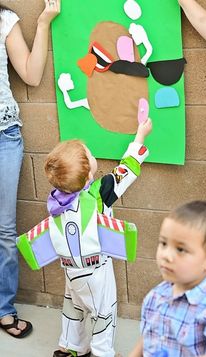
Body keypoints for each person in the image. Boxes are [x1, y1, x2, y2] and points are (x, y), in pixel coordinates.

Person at [44, 118, 152, 357]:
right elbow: (126, 170)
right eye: (90, 154)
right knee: (104, 312)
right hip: (96, 271)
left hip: (71, 271)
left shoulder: (56, 200)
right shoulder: (98, 194)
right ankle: (102, 353)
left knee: (73, 307)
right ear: (87, 174)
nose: (94, 155)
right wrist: (140, 136)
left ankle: (70, 348)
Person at [0, 0, 60, 338]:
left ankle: (3, 309)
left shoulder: (4, 19)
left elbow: (32, 75)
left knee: (5, 232)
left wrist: (44, 23)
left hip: (4, 136)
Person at [129, 200, 206, 357]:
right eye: (163, 243)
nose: (166, 255)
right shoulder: (157, 295)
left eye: (180, 249)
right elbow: (148, 338)